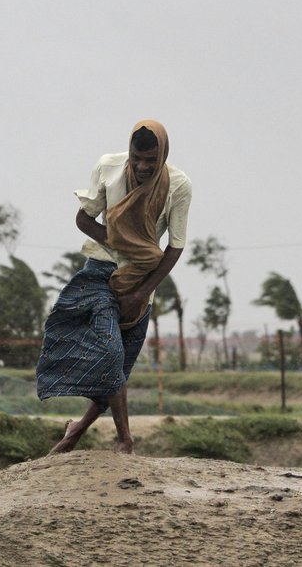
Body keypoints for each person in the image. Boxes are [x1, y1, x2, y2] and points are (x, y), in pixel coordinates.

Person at [35, 119, 192, 454]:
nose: (142, 166)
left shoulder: (179, 186)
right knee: (110, 353)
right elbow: (83, 219)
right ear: (130, 152)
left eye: (151, 160)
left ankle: (77, 428)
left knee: (118, 368)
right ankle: (125, 440)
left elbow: (175, 246)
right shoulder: (108, 166)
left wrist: (140, 294)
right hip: (100, 276)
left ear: (162, 155)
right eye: (137, 158)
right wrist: (119, 242)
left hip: (141, 282)